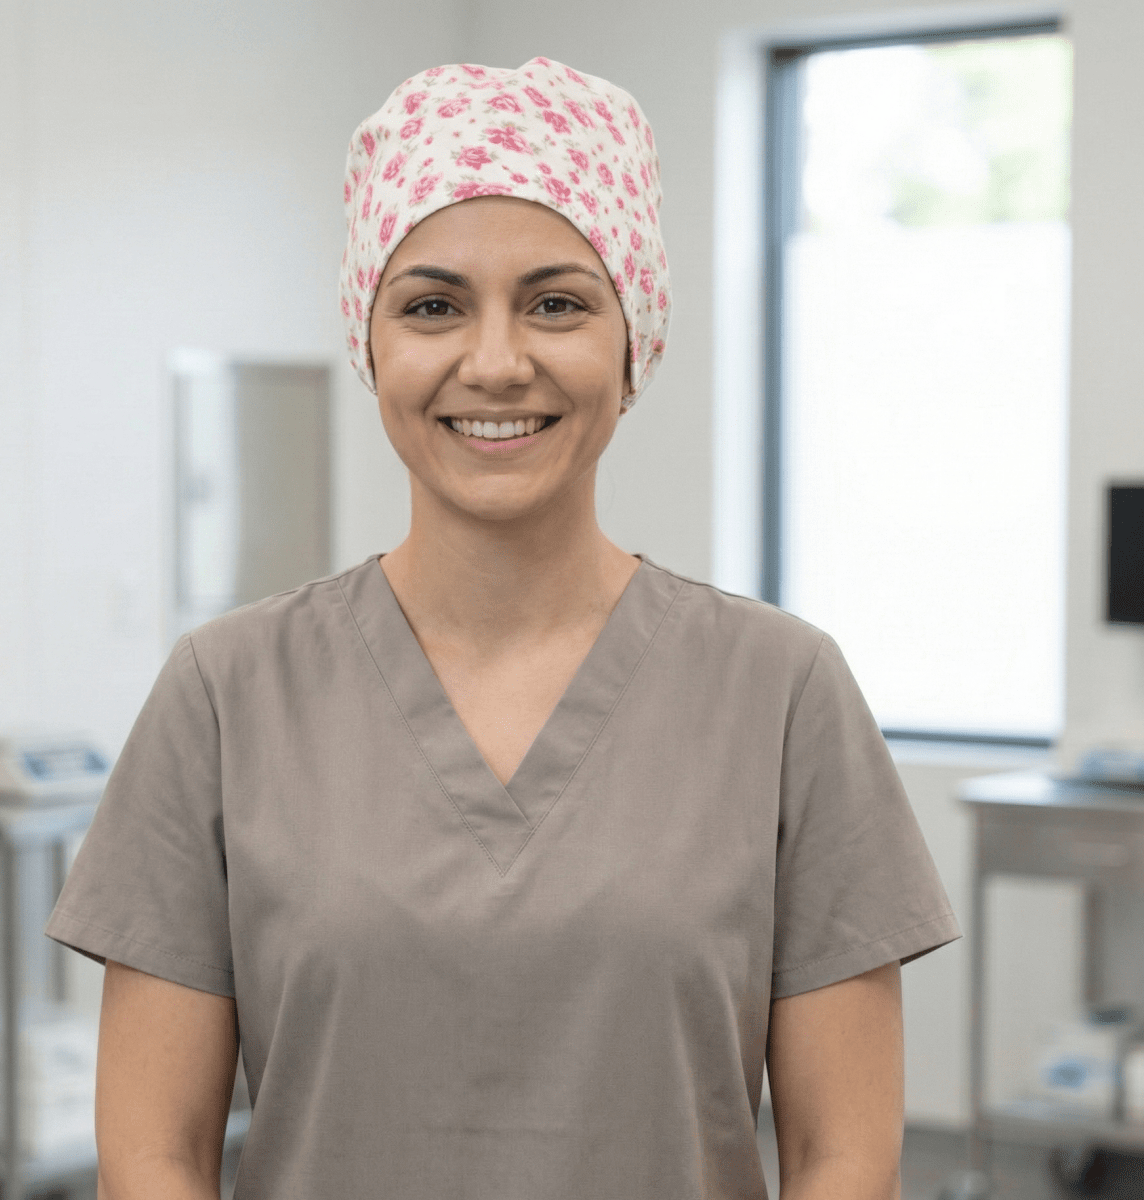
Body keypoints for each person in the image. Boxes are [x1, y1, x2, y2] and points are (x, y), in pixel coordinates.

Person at [47, 57, 960, 1200]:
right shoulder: (228, 694)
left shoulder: (781, 693)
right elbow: (152, 1158)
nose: (494, 361)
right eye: (432, 305)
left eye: (557, 303)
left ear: (636, 343)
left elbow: (844, 1157)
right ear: (368, 343)